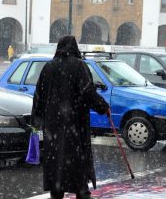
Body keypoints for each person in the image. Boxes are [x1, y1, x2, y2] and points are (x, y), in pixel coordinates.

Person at [31, 36, 110, 199]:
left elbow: (38, 97)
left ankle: (57, 192)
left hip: (53, 128)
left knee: (56, 169)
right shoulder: (79, 66)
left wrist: (36, 123)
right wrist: (103, 107)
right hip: (75, 128)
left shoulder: (48, 67)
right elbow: (88, 92)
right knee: (78, 171)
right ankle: (81, 192)